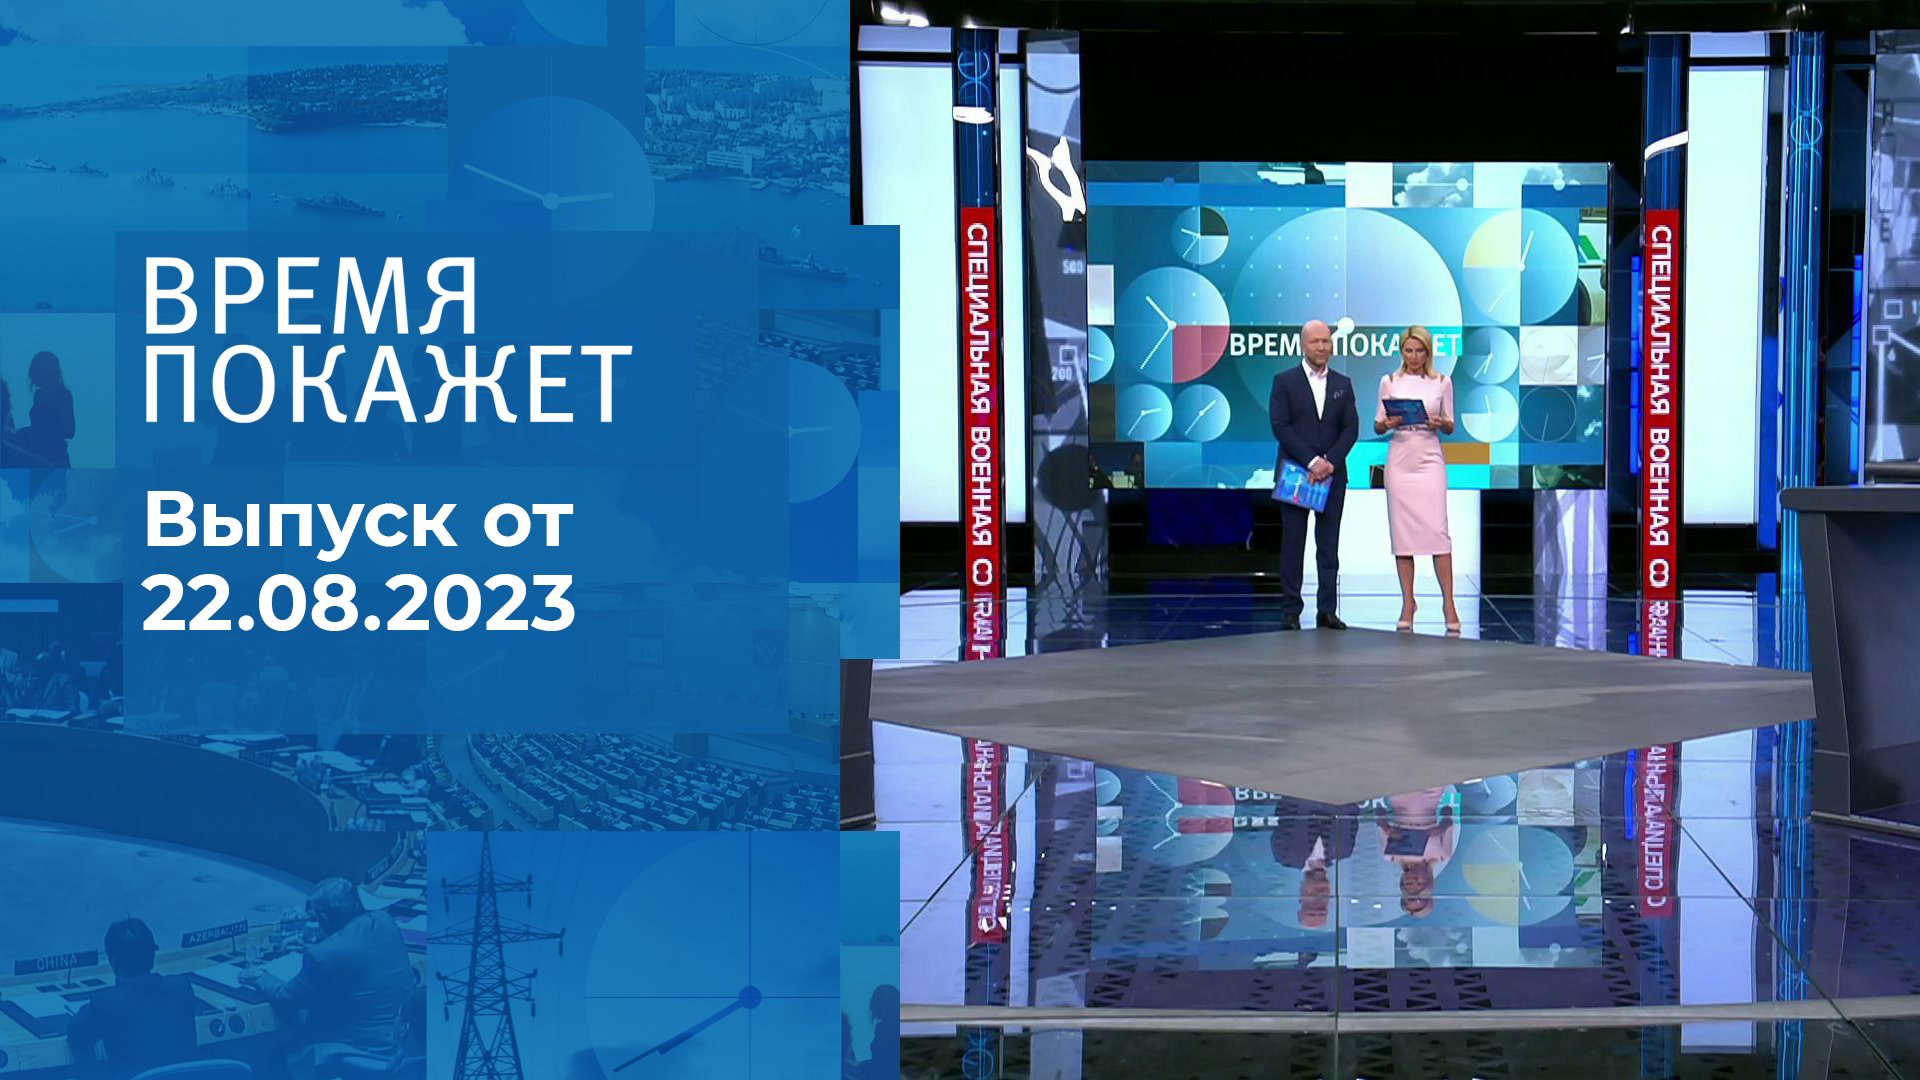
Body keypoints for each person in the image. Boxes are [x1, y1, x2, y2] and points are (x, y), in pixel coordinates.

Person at [244, 878, 417, 1080]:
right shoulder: (385, 921)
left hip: (357, 1053)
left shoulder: (323, 955)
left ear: (323, 917)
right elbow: (355, 948)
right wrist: (315, 945)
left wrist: (259, 976)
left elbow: (286, 997)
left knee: (277, 1057)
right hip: (400, 1046)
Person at [1269, 320, 1359, 630]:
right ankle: (1291, 610)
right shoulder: (1284, 381)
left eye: (1326, 341)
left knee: (1328, 545)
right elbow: (1280, 426)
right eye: (1315, 342)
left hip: (1333, 475)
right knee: (1293, 544)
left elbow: (1351, 428)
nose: (1322, 347)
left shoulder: (1343, 384)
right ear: (1303, 345)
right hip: (1296, 474)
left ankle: (1327, 610)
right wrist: (1311, 461)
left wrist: (1329, 462)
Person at [1375, 326, 1460, 634]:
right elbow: (1377, 425)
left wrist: (1439, 422)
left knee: (1438, 532)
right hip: (1400, 458)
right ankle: (1407, 603)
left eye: (1419, 351)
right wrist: (1389, 422)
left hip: (1429, 458)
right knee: (1403, 537)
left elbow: (1450, 425)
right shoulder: (1389, 381)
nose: (1413, 357)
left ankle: (1448, 603)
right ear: (1402, 352)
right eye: (1408, 351)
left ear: (1428, 352)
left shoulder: (1442, 382)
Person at [64, 917, 199, 1079]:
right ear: (152, 955)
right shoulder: (181, 987)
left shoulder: (105, 1002)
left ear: (114, 963)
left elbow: (75, 1033)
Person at [15, 350, 74, 468]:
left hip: (55, 459)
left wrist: (29, 432)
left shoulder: (63, 394)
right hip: (37, 457)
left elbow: (69, 431)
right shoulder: (39, 394)